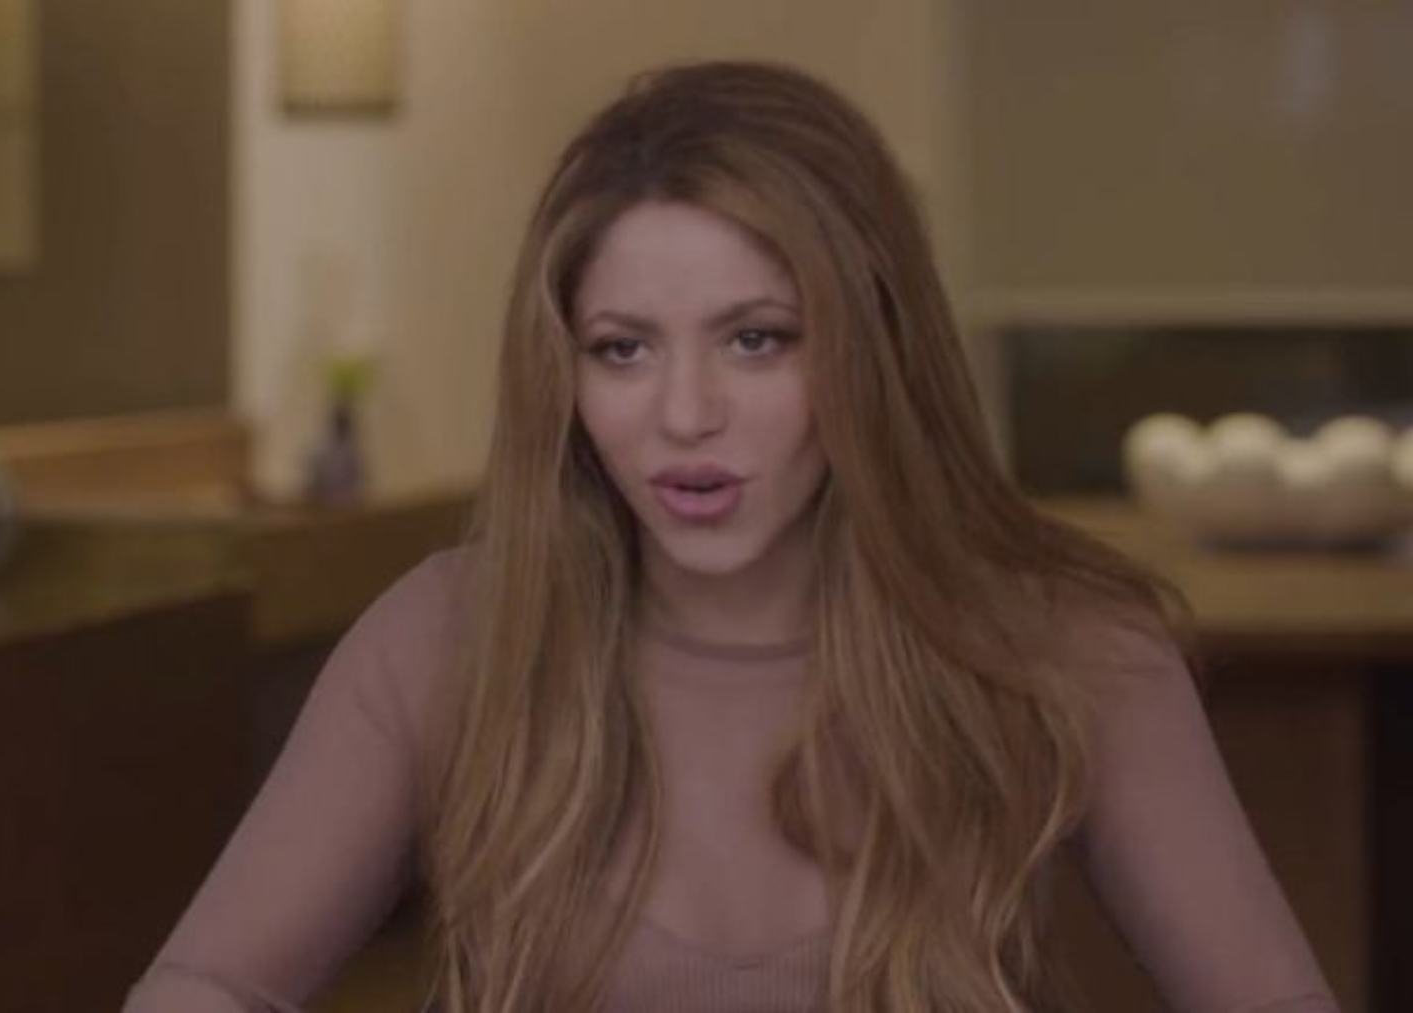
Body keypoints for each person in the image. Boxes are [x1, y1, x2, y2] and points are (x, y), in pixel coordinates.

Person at [125, 61, 1338, 1012]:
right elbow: (207, 980)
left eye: (756, 338)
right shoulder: (447, 634)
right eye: (623, 348)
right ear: (565, 376)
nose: (685, 415)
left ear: (871, 350)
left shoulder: (1067, 642)